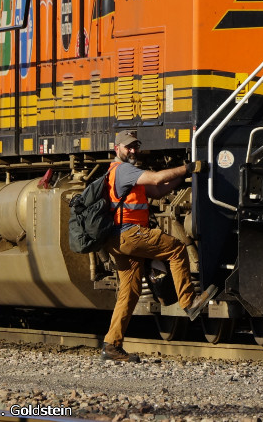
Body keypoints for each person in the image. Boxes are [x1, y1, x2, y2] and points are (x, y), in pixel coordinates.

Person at [100, 129, 217, 362]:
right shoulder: (123, 169)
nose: (132, 150)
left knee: (129, 292)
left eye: (135, 146)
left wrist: (184, 177)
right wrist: (189, 168)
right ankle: (189, 303)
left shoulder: (121, 174)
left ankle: (111, 344)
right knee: (176, 248)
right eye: (127, 147)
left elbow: (158, 189)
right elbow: (155, 178)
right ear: (117, 149)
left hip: (117, 239)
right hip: (129, 234)